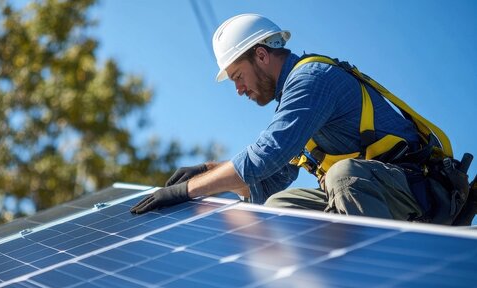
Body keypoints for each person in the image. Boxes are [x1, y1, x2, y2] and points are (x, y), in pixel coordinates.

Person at [130, 13, 464, 224]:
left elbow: (265, 155)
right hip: (373, 195)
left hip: (418, 191)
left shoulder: (312, 81)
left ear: (261, 56)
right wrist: (209, 171)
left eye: (237, 76)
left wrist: (185, 191)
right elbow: (268, 179)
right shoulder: (296, 106)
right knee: (281, 205)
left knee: (344, 176)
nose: (239, 89)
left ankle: (372, 274)